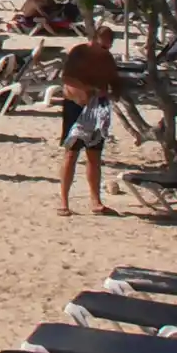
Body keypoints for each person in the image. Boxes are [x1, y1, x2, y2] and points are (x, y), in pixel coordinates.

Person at [59, 26, 120, 216]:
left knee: (94, 155)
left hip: (97, 107)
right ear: (93, 40)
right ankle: (63, 201)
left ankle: (96, 200)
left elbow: (114, 81)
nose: (105, 50)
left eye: (108, 47)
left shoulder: (107, 58)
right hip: (75, 105)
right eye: (102, 46)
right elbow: (67, 78)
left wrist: (112, 93)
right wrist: (89, 88)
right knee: (71, 152)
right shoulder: (79, 52)